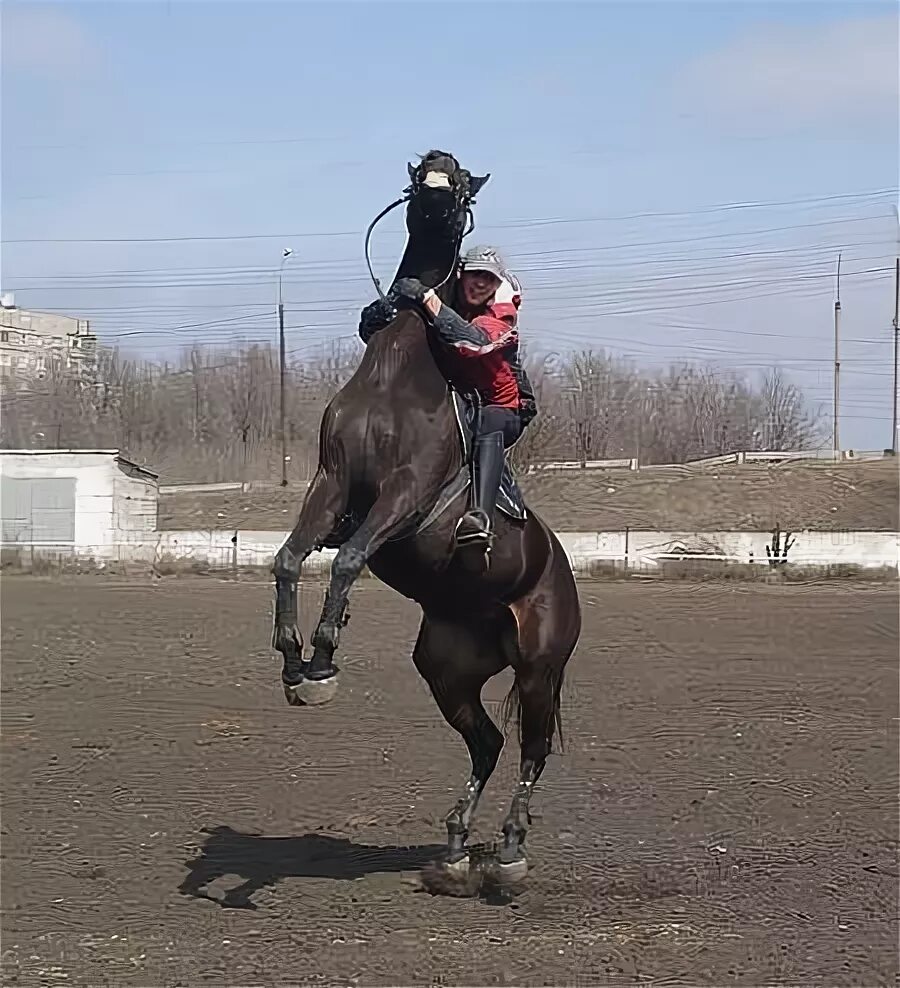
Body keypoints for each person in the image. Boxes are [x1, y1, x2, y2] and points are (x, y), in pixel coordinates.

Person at [358, 244, 537, 545]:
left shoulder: (500, 317)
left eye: (489, 279)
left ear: (497, 286)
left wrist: (427, 297)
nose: (481, 283)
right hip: (463, 399)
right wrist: (380, 313)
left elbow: (474, 343)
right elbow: (377, 335)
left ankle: (480, 517)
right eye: (475, 275)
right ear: (461, 274)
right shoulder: (448, 299)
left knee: (489, 422)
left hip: (504, 407)